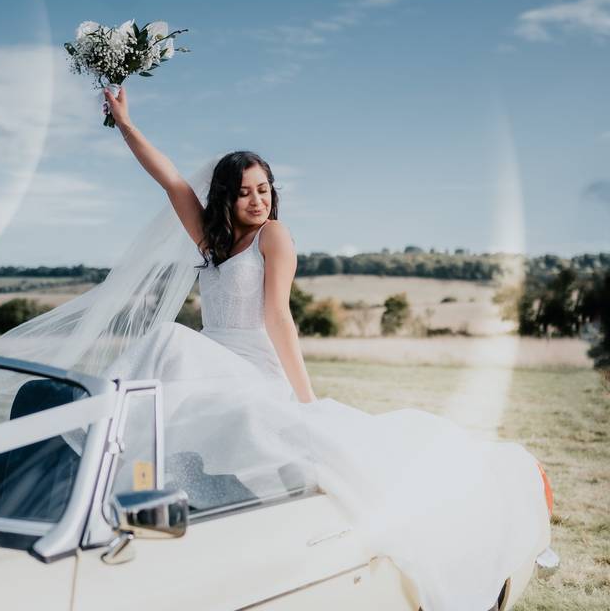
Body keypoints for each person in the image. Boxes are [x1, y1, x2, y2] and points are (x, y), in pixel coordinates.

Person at [92, 85, 551, 611]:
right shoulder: (213, 242)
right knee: (166, 370)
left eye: (264, 188)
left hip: (250, 366)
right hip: (211, 357)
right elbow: (171, 180)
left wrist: (304, 399)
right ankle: (130, 487)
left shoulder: (274, 237)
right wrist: (126, 123)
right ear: (226, 197)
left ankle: (118, 465)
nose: (258, 199)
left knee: (171, 343)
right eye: (245, 192)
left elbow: (278, 318)